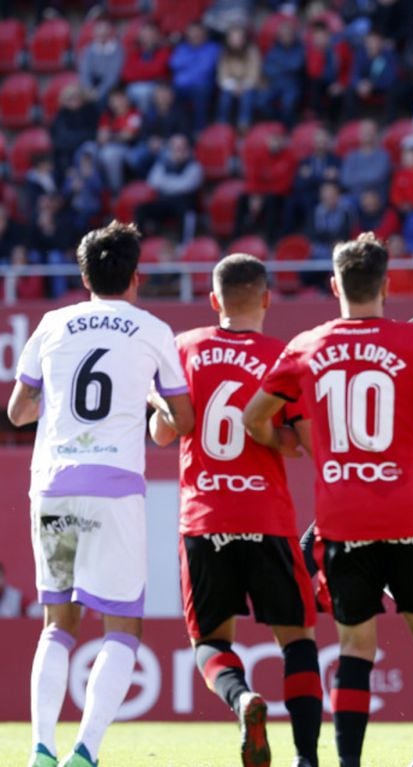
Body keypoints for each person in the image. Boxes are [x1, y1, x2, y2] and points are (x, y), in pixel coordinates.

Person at [243, 234, 413, 767]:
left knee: (356, 648)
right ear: (386, 285)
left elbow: (253, 418)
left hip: (342, 521)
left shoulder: (307, 345)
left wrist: (294, 444)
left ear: (334, 285)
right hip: (409, 517)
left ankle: (349, 763)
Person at [9, 221, 195, 767]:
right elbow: (181, 419)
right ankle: (85, 752)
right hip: (114, 492)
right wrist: (150, 402)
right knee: (122, 625)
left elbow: (19, 411)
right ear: (137, 276)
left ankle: (41, 748)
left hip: (54, 489)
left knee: (58, 621)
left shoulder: (50, 324)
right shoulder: (151, 329)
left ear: (83, 274)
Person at [149, 254, 321, 767]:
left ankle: (241, 698)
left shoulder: (183, 349)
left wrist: (157, 403)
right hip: (267, 518)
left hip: (205, 519)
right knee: (298, 641)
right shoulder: (283, 356)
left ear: (213, 300)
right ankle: (307, 758)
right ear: (267, 298)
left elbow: (163, 433)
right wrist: (275, 436)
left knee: (210, 641)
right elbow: (302, 445)